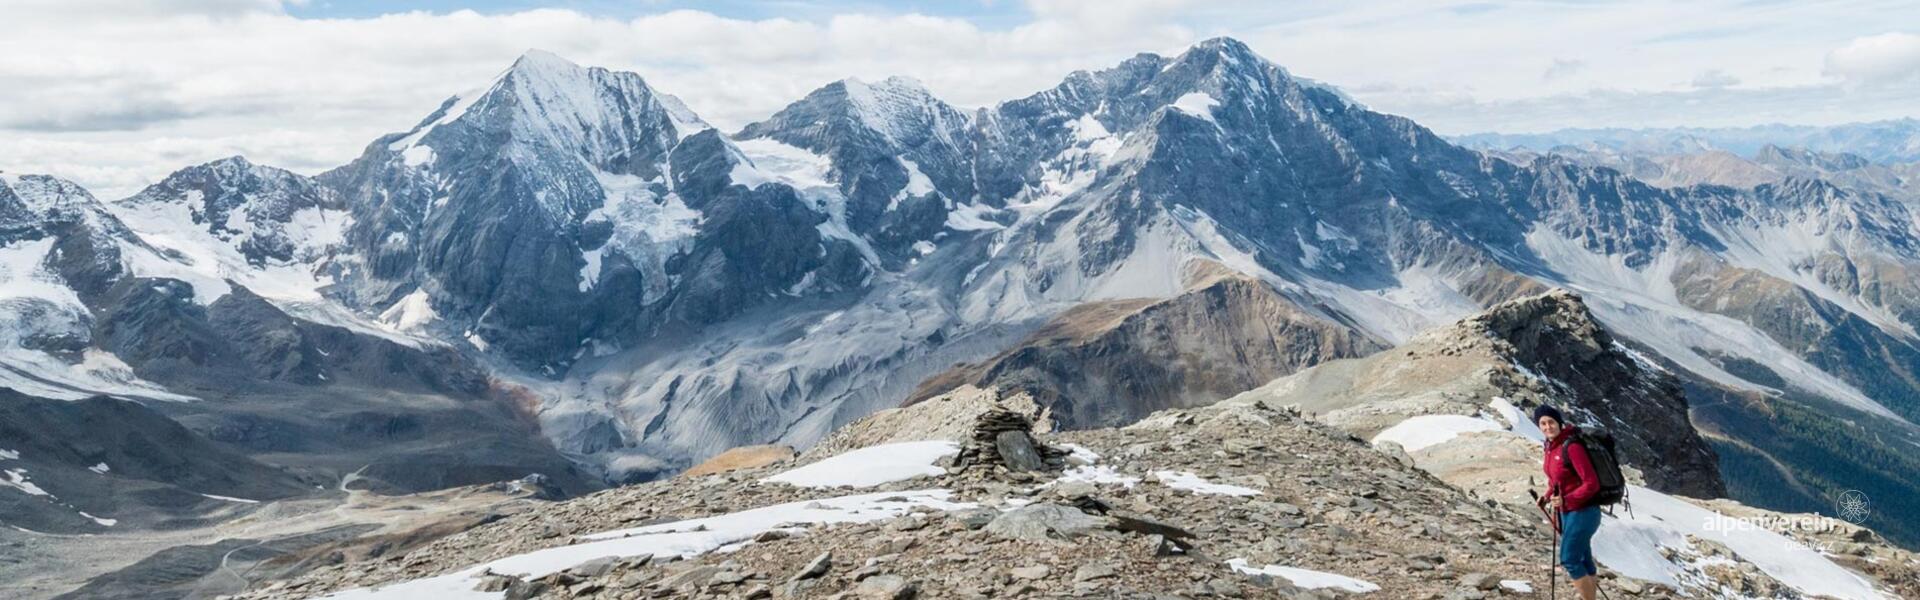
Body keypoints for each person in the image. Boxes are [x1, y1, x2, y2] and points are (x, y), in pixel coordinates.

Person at [1535, 405, 1601, 600]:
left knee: (1569, 559)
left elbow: (1592, 483)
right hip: (1567, 511)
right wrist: (1546, 496)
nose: (1548, 427)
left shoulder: (1571, 447)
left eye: (1551, 422)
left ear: (1559, 422)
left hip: (1584, 511)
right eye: (1543, 423)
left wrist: (1567, 499)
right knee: (1583, 558)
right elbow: (1557, 480)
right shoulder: (1550, 446)